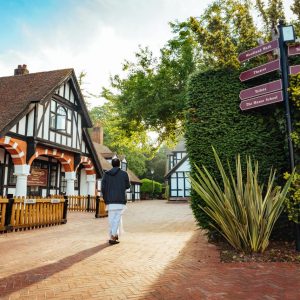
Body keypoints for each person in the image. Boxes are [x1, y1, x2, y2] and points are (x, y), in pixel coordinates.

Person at [101, 158, 130, 245]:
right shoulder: (124, 174)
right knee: (117, 219)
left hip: (110, 200)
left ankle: (113, 235)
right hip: (120, 200)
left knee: (111, 219)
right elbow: (127, 186)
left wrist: (106, 197)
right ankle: (113, 236)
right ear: (119, 165)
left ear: (112, 164)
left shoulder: (106, 174)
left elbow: (103, 188)